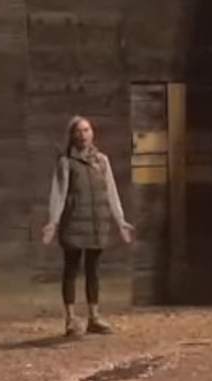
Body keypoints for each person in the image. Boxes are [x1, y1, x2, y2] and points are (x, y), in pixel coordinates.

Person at [42, 115, 134, 336]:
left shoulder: (101, 161)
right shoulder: (66, 162)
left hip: (96, 223)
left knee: (93, 270)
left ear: (92, 133)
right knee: (71, 269)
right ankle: (71, 319)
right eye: (78, 131)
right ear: (72, 135)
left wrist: (120, 220)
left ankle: (94, 317)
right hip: (74, 223)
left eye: (86, 130)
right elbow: (59, 193)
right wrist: (53, 221)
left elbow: (111, 191)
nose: (83, 135)